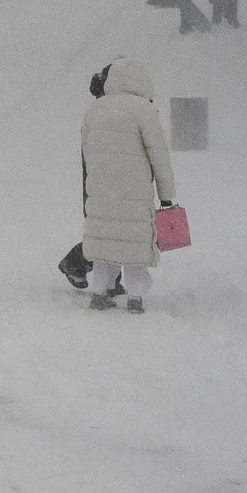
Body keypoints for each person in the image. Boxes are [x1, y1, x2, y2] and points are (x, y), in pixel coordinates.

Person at [80, 56, 177, 312]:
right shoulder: (144, 111)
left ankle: (99, 293)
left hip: (101, 190)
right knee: (134, 242)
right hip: (135, 191)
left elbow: (87, 150)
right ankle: (135, 298)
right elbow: (159, 155)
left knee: (105, 240)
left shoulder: (96, 109)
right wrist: (167, 195)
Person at [58, 65, 110, 291]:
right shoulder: (102, 114)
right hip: (104, 184)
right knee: (110, 233)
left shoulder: (100, 111)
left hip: (100, 184)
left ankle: (107, 278)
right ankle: (76, 262)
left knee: (110, 232)